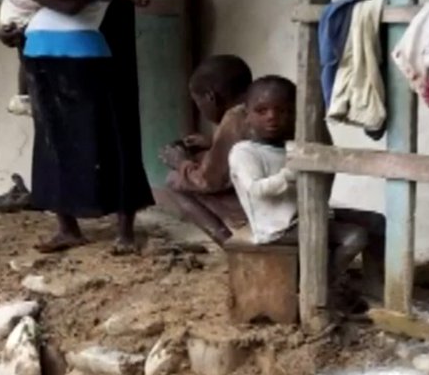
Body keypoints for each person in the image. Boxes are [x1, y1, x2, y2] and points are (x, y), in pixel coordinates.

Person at [0, 0, 153, 254]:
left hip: (85, 57)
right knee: (53, 142)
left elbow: (73, 4)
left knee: (109, 136)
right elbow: (43, 6)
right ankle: (68, 226)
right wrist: (12, 32)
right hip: (41, 55)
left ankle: (125, 232)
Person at [229, 76, 367, 278]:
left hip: (305, 215)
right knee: (355, 236)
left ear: (295, 115)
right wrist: (291, 172)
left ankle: (375, 285)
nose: (272, 117)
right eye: (261, 111)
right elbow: (256, 191)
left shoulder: (292, 147)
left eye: (283, 111)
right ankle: (327, 284)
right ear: (247, 115)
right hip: (278, 228)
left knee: (377, 223)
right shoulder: (244, 152)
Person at [156, 55, 254, 245]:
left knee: (175, 180)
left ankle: (232, 247)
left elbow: (207, 181)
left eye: (198, 102)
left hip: (261, 205)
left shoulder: (234, 118)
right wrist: (212, 143)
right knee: (200, 161)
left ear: (210, 97)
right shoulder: (255, 106)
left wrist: (181, 162)